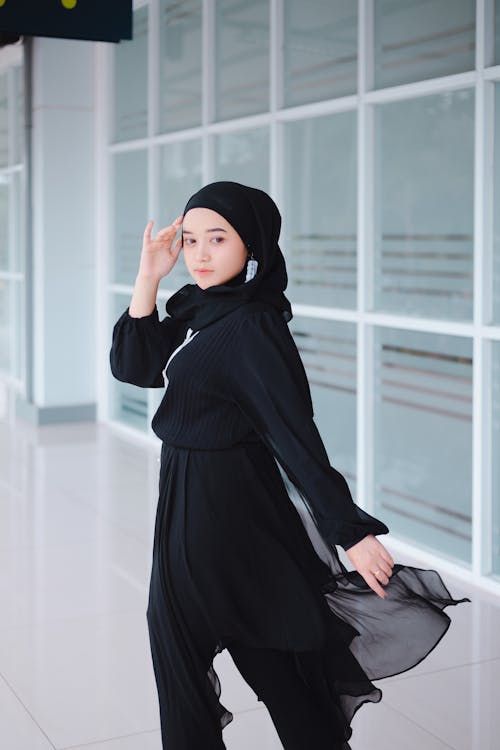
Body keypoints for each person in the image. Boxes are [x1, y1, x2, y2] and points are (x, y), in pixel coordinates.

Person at [110, 180, 469, 750]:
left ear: (251, 246)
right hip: (191, 502)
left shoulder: (252, 327)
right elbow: (134, 366)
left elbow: (294, 434)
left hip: (225, 515)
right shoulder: (198, 307)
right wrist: (149, 276)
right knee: (253, 657)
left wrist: (348, 530)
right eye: (192, 239)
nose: (200, 255)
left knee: (237, 657)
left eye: (218, 239)